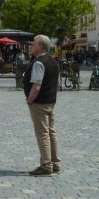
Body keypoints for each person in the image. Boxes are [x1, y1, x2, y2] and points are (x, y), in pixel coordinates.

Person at [24, 35, 61, 177]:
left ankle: (46, 165)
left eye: (33, 44)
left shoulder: (39, 63)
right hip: (50, 102)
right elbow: (58, 84)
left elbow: (36, 87)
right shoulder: (53, 61)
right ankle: (55, 163)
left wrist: (30, 100)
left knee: (43, 134)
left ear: (40, 47)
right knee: (51, 133)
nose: (31, 46)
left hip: (39, 103)